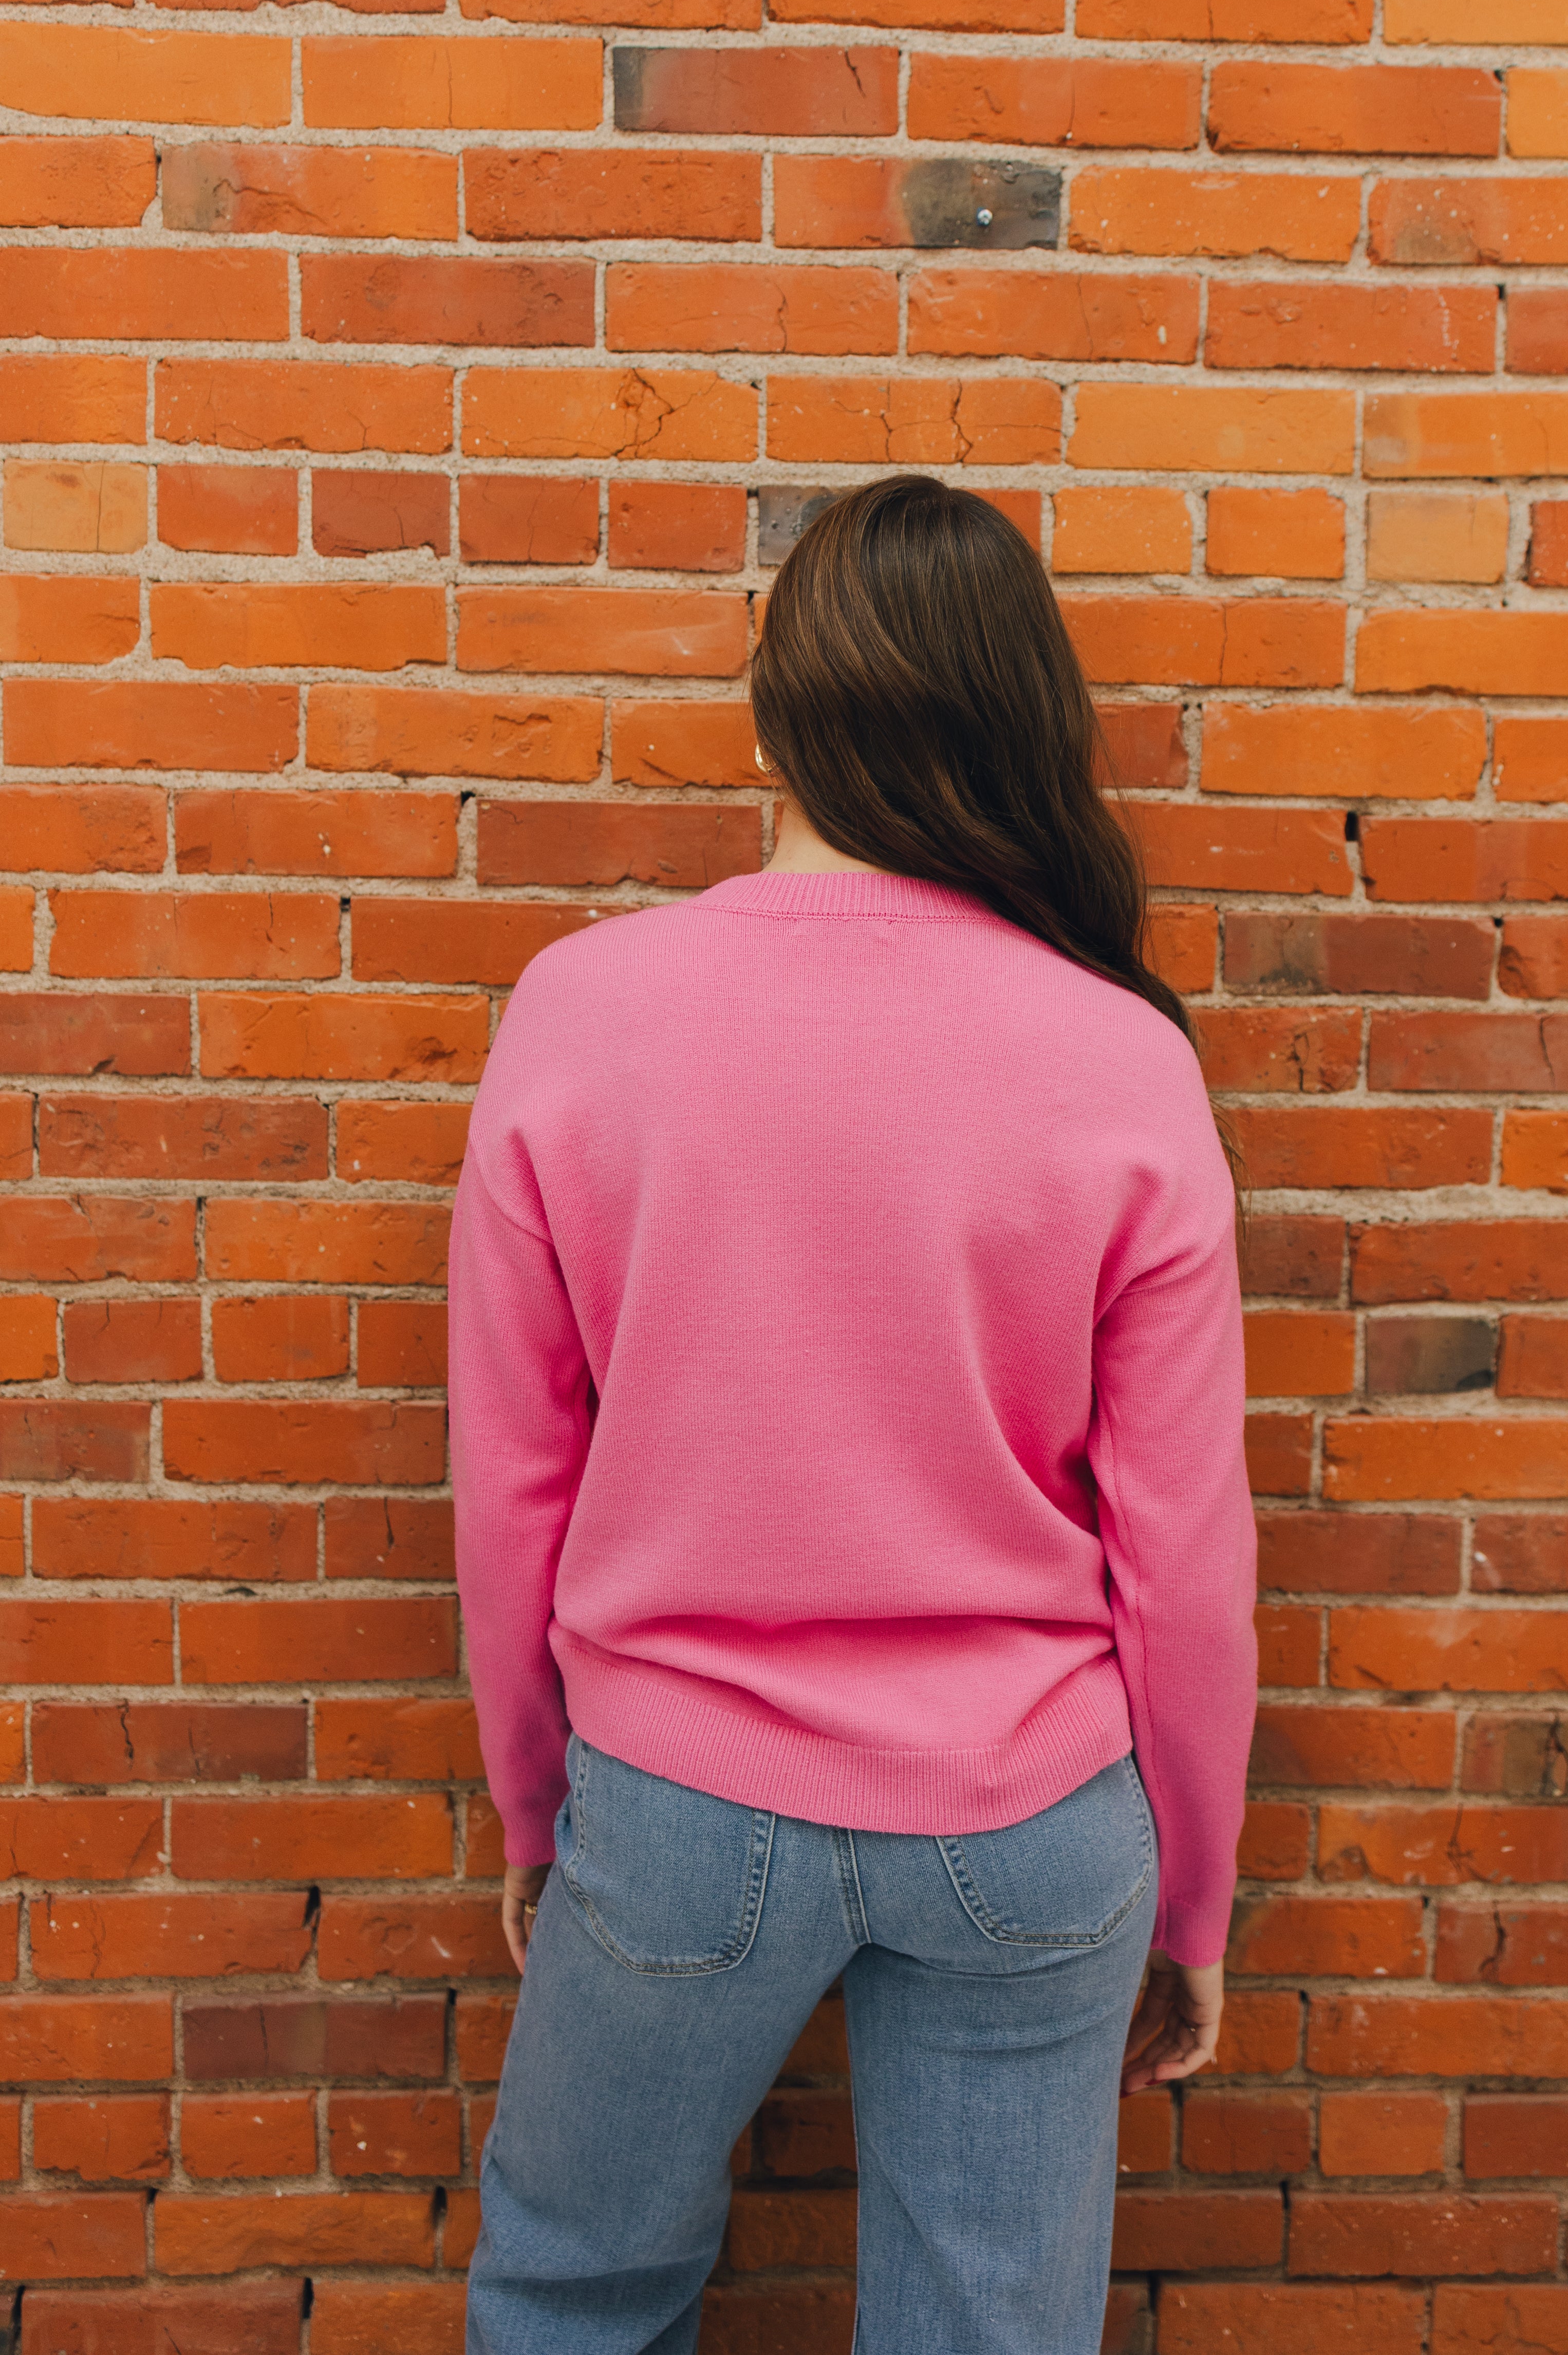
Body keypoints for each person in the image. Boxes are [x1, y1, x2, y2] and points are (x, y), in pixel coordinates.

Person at [449, 474, 1258, 2355]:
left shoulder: (582, 1011)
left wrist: (528, 1801)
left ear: (767, 714)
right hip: (1036, 1810)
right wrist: (1195, 1891)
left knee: (576, 2285)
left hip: (671, 1798)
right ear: (1019, 728)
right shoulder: (1123, 1058)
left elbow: (509, 1478)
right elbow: (1188, 1548)